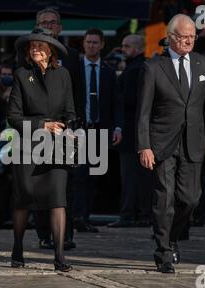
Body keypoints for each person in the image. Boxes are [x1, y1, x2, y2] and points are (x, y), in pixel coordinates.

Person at [136, 14, 205, 273]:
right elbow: (143, 112)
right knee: (163, 200)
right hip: (162, 143)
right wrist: (144, 146)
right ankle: (163, 251)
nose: (189, 41)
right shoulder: (153, 67)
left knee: (190, 200)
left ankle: (172, 237)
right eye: (184, 37)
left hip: (193, 142)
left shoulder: (204, 65)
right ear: (171, 37)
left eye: (192, 37)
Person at [7, 28, 76, 272]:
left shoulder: (63, 74)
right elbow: (13, 117)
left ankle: (59, 256)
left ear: (51, 50)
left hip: (57, 146)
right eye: (31, 46)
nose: (34, 49)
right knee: (23, 200)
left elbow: (70, 111)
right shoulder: (21, 74)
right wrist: (41, 125)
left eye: (40, 45)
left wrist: (67, 127)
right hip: (27, 145)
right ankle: (17, 249)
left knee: (58, 200)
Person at [33, 7, 80, 250]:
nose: (49, 26)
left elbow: (78, 94)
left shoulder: (72, 56)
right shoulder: (26, 55)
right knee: (41, 183)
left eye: (52, 23)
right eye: (44, 23)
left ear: (59, 28)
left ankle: (65, 234)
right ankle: (43, 233)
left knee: (66, 185)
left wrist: (75, 126)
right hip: (37, 130)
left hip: (66, 130)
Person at [72, 28, 123, 233]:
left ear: (102, 45)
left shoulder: (109, 72)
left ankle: (84, 217)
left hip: (100, 129)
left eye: (95, 42)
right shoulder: (75, 69)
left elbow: (116, 103)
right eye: (88, 42)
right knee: (78, 176)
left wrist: (118, 127)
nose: (91, 45)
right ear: (83, 44)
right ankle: (75, 216)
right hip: (78, 129)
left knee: (94, 177)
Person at [108, 34, 152, 228]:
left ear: (137, 48)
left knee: (131, 176)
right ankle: (142, 214)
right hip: (140, 131)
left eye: (126, 46)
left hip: (131, 130)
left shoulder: (135, 69)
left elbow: (128, 99)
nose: (123, 49)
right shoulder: (143, 67)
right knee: (140, 176)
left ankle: (130, 214)